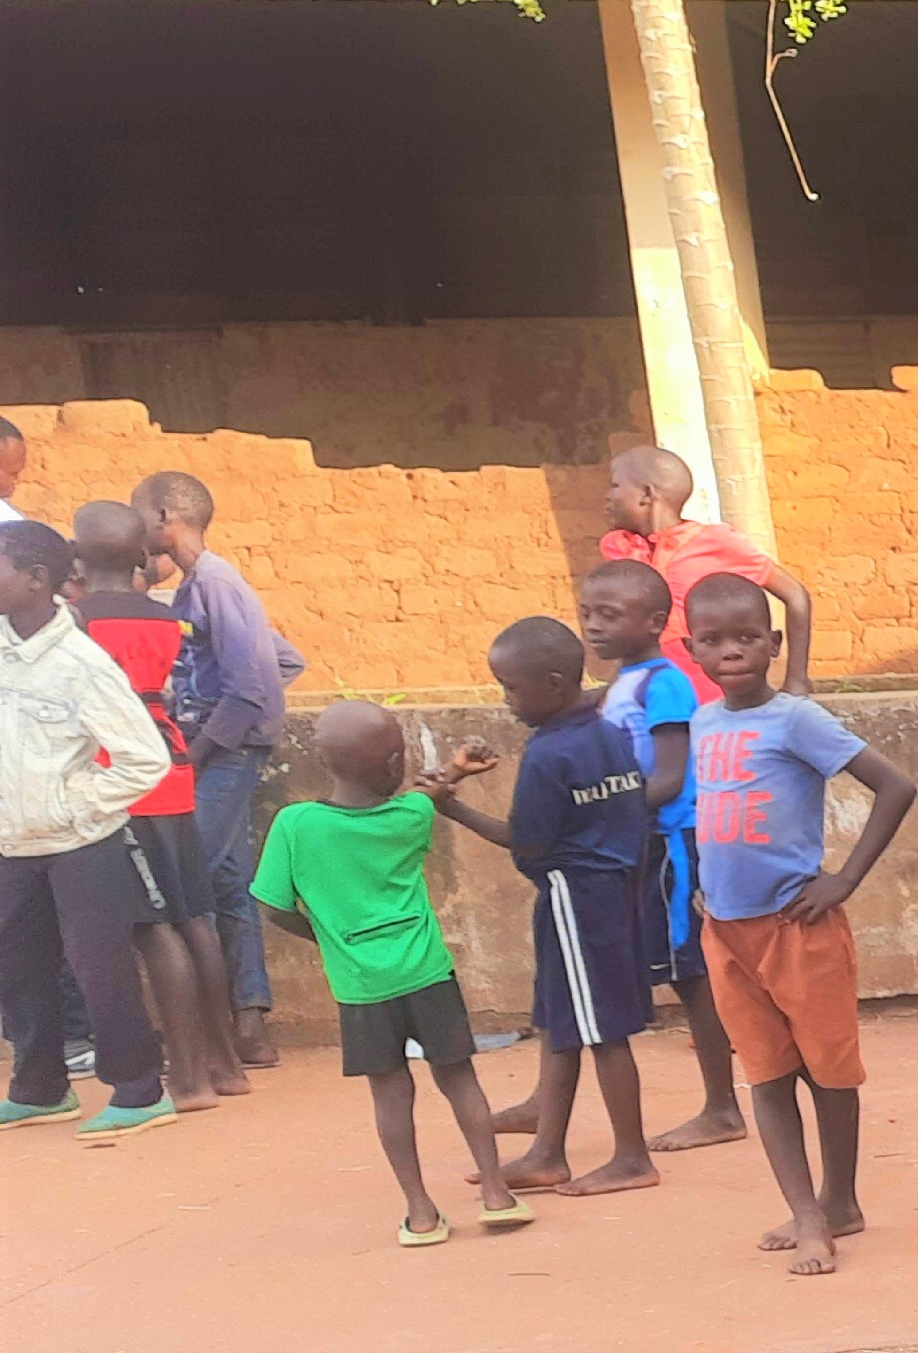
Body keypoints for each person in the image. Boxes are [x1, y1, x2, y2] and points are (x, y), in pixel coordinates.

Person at [678, 570, 918, 1276]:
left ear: (774, 643)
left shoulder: (796, 719)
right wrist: (705, 886)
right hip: (727, 931)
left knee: (829, 1072)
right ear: (693, 649)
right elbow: (716, 815)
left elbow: (895, 786)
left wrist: (844, 878)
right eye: (715, 641)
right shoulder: (704, 721)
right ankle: (807, 1212)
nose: (732, 652)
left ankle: (838, 1199)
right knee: (766, 1074)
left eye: (747, 637)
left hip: (798, 927)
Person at [253, 702, 533, 1241]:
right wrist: (454, 770)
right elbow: (426, 796)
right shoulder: (412, 817)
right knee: (459, 1078)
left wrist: (326, 937)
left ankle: (421, 1212)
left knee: (390, 1094)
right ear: (393, 763)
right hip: (427, 971)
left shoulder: (295, 825)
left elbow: (271, 906)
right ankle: (496, 1193)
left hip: (361, 986)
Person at [422, 616, 658, 1196]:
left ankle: (632, 1156)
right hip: (614, 888)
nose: (506, 701)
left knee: (602, 1030)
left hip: (574, 898)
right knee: (561, 1022)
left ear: (553, 684)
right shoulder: (607, 734)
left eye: (512, 687)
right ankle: (547, 1151)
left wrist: (448, 806)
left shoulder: (549, 755)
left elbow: (524, 843)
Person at [0, 516, 178, 1143]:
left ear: (37, 580)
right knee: (17, 969)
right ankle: (40, 1087)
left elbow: (144, 758)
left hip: (81, 843)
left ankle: (137, 1089)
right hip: (13, 844)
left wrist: (79, 805)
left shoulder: (81, 662)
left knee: (98, 967)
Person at [69, 502, 248, 1108]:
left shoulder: (74, 622)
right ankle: (225, 1066)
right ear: (141, 554)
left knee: (153, 925)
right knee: (194, 914)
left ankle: (189, 1080)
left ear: (79, 557)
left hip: (117, 775)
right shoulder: (167, 616)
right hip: (169, 765)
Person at [576, 556, 751, 1153]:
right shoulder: (620, 685)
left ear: (653, 621)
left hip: (672, 844)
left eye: (609, 615)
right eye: (586, 614)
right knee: (678, 974)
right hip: (641, 842)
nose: (593, 626)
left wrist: (602, 807)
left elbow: (669, 778)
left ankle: (723, 1107)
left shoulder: (665, 682)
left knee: (691, 974)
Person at [133, 469, 303, 1066]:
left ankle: (201, 1037)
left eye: (140, 516)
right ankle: (251, 1024)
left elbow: (255, 682)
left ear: (164, 519)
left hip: (221, 754)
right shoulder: (196, 585)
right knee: (229, 880)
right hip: (225, 748)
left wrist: (203, 746)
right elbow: (284, 659)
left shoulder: (217, 583)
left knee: (185, 878)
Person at [600, 444, 814, 693]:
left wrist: (797, 680)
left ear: (646, 494)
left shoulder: (716, 543)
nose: (607, 496)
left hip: (709, 695)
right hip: (648, 692)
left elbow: (795, 595)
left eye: (615, 486)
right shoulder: (622, 549)